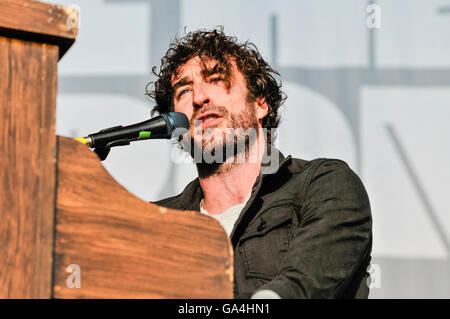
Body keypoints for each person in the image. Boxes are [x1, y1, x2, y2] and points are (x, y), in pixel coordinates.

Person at [148, 28, 372, 299]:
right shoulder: (152, 223)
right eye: (184, 90)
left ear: (260, 103)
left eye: (216, 79)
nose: (199, 98)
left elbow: (300, 287)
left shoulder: (324, 185)